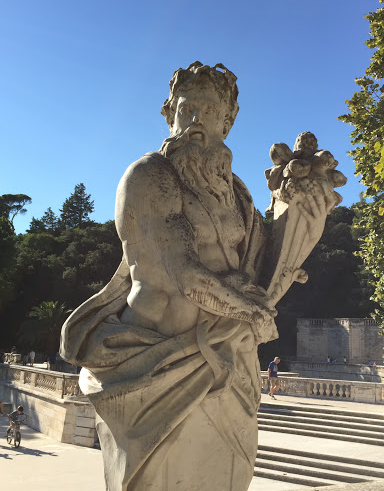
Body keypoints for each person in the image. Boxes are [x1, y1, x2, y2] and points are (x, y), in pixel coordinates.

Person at [60, 62, 337, 491]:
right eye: (188, 110)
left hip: (229, 359)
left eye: (210, 113)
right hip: (154, 364)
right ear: (169, 113)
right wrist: (252, 310)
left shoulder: (239, 194)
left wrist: (302, 211)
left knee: (226, 477)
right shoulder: (149, 176)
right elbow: (183, 273)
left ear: (228, 122)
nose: (197, 124)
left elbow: (264, 269)